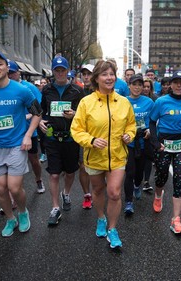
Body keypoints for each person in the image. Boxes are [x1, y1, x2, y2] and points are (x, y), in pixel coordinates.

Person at [70, 59, 136, 248]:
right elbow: (77, 129)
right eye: (104, 74)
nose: (109, 78)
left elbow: (131, 125)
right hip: (94, 157)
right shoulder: (86, 103)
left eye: (111, 74)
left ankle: (112, 229)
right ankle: (101, 218)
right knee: (98, 190)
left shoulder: (124, 102)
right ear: (96, 78)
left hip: (117, 156)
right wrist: (90, 141)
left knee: (114, 193)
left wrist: (129, 135)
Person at [0, 50, 41, 237]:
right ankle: (10, 219)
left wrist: (28, 135)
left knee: (13, 187)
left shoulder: (22, 90)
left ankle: (23, 212)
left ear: (6, 66)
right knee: (1, 188)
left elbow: (37, 112)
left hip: (16, 145)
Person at [149, 70, 181, 235]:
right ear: (170, 84)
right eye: (176, 82)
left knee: (179, 178)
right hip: (164, 143)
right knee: (162, 175)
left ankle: (176, 219)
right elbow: (151, 122)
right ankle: (158, 195)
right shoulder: (161, 101)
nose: (179, 85)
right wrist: (156, 143)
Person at [38, 55, 84, 226]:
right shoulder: (47, 90)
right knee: (55, 173)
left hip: (71, 138)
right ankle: (55, 207)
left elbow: (84, 114)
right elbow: (41, 111)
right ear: (53, 72)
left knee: (71, 172)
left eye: (62, 70)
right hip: (52, 137)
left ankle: (66, 193)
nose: (59, 73)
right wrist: (41, 121)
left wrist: (75, 114)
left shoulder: (77, 91)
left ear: (67, 71)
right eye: (56, 70)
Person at [8, 60, 45, 194]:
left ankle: (39, 179)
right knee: (13, 165)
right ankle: (14, 195)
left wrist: (31, 115)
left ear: (18, 73)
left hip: (29, 131)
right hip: (12, 134)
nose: (10, 76)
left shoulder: (29, 88)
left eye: (12, 73)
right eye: (7, 73)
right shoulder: (3, 89)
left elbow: (40, 106)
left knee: (34, 160)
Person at [123, 74, 154, 214]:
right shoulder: (123, 101)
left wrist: (150, 130)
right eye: (134, 84)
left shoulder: (149, 102)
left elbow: (153, 122)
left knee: (139, 172)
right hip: (128, 142)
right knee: (129, 172)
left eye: (140, 85)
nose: (137, 87)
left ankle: (137, 185)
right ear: (129, 85)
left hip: (143, 141)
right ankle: (128, 202)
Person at [79, 63, 95, 209]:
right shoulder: (77, 91)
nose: (86, 76)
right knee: (83, 166)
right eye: (84, 74)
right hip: (83, 136)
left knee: (101, 167)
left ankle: (100, 191)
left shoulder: (101, 91)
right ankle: (87, 194)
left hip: (100, 135)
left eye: (89, 73)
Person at [141, 78, 157, 191]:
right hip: (135, 133)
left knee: (148, 158)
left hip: (149, 132)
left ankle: (146, 181)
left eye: (148, 87)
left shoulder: (155, 100)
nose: (146, 89)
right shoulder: (132, 99)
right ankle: (136, 180)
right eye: (144, 86)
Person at [34, 77, 48, 163]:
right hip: (40, 119)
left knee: (49, 137)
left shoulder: (50, 93)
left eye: (44, 83)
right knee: (42, 138)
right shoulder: (36, 93)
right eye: (41, 83)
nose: (42, 84)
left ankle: (50, 153)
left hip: (49, 120)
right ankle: (43, 153)